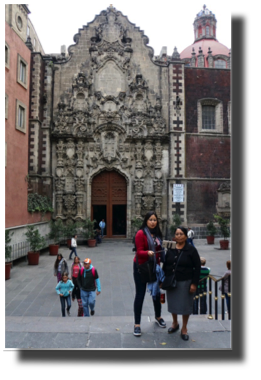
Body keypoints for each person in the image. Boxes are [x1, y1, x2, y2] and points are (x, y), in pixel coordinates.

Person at [163, 226, 201, 341]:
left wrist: (194, 283)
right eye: (176, 234)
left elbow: (197, 267)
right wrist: (163, 279)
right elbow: (166, 264)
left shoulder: (191, 250)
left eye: (181, 234)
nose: (178, 236)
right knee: (173, 304)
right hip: (172, 281)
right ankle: (175, 323)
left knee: (185, 306)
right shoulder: (171, 248)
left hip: (185, 282)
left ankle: (184, 328)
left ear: (186, 236)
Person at [133, 211, 166, 337]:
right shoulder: (140, 233)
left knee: (156, 294)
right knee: (140, 295)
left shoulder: (157, 234)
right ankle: (137, 324)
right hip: (141, 267)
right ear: (146, 221)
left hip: (154, 267)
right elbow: (139, 251)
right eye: (150, 219)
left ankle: (158, 317)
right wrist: (147, 253)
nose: (153, 222)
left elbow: (159, 249)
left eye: (155, 220)